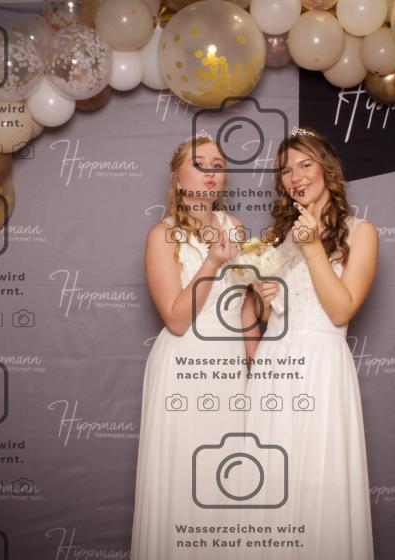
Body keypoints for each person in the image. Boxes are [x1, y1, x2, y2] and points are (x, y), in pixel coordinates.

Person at [242, 127, 379, 559]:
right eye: (286, 170)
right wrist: (265, 300)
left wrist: (314, 247)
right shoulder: (276, 238)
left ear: (327, 170)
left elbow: (340, 311)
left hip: (320, 367)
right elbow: (275, 316)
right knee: (270, 480)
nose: (296, 176)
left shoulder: (361, 232)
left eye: (305, 164)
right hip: (273, 368)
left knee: (316, 481)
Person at [131, 131, 257, 560]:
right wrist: (212, 262)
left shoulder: (235, 227)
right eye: (200, 163)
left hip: (230, 371)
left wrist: (256, 368)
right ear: (176, 176)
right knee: (187, 477)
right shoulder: (161, 235)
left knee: (231, 478)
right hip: (185, 368)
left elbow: (243, 306)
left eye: (218, 166)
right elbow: (177, 319)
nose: (211, 173)